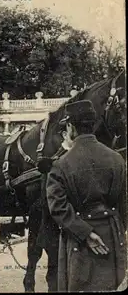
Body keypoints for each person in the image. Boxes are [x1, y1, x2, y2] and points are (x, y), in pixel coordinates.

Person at [46, 100, 127, 292]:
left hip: (79, 240)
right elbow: (124, 204)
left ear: (70, 127)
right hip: (111, 235)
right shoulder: (117, 159)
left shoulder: (60, 164)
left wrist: (86, 233)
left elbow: (57, 208)